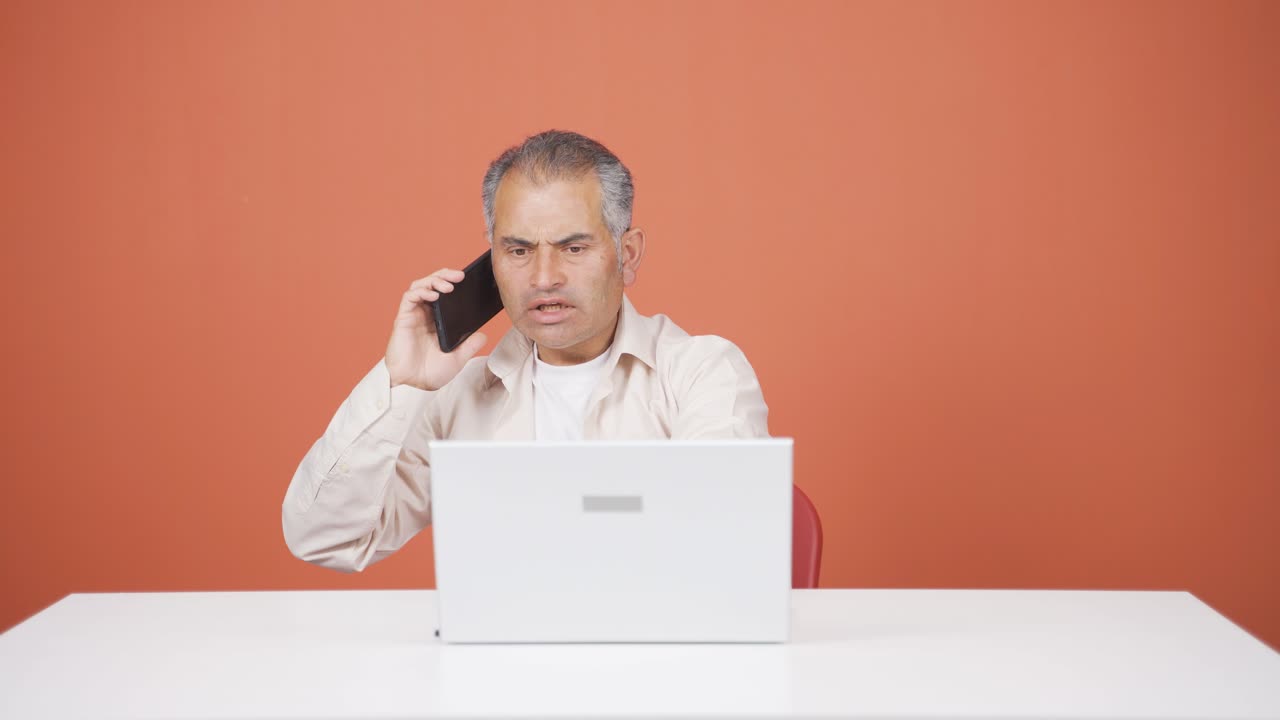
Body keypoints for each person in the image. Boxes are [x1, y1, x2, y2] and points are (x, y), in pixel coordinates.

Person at [283, 130, 769, 572]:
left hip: (656, 655)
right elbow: (324, 539)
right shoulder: (459, 397)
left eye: (573, 248)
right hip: (498, 658)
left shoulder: (702, 373)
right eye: (518, 251)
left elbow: (720, 539)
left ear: (628, 253)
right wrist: (401, 386)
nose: (542, 277)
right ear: (491, 259)